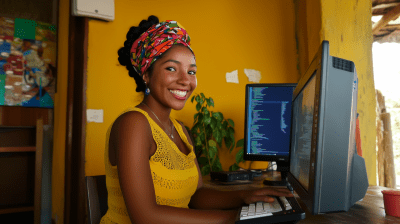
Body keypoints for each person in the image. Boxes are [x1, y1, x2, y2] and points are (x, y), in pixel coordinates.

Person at [100, 15, 293, 224]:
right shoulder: (133, 123)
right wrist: (234, 218)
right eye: (171, 68)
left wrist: (244, 196)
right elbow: (145, 217)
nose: (185, 80)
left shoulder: (180, 130)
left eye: (191, 71)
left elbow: (195, 196)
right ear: (146, 74)